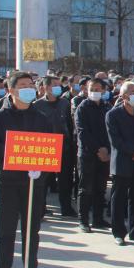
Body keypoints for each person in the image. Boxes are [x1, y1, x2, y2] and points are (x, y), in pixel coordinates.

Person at [0, 72, 52, 268]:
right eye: (23, 85)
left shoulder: (41, 118)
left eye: (31, 84)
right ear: (11, 90)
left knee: (32, 230)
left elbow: (50, 146)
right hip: (8, 181)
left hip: (33, 181)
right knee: (6, 231)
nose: (29, 88)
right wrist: (15, 151)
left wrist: (41, 168)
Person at [105, 81, 134, 245]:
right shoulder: (113, 115)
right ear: (124, 96)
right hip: (122, 162)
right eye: (133, 92)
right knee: (118, 199)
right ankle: (118, 232)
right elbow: (115, 140)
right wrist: (133, 152)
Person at [33, 76, 76, 217]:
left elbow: (70, 124)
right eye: (54, 85)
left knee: (65, 180)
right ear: (45, 87)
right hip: (45, 146)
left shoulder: (64, 103)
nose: (58, 87)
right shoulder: (37, 105)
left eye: (59, 85)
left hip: (64, 146)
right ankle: (41, 208)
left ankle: (66, 207)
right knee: (43, 181)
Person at [74, 78, 111, 233]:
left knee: (100, 188)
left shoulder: (107, 107)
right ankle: (83, 220)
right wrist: (98, 149)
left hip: (105, 154)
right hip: (88, 153)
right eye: (92, 89)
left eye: (98, 89)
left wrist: (107, 149)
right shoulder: (82, 108)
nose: (95, 92)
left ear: (103, 90)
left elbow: (111, 130)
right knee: (85, 188)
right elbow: (82, 132)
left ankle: (98, 219)